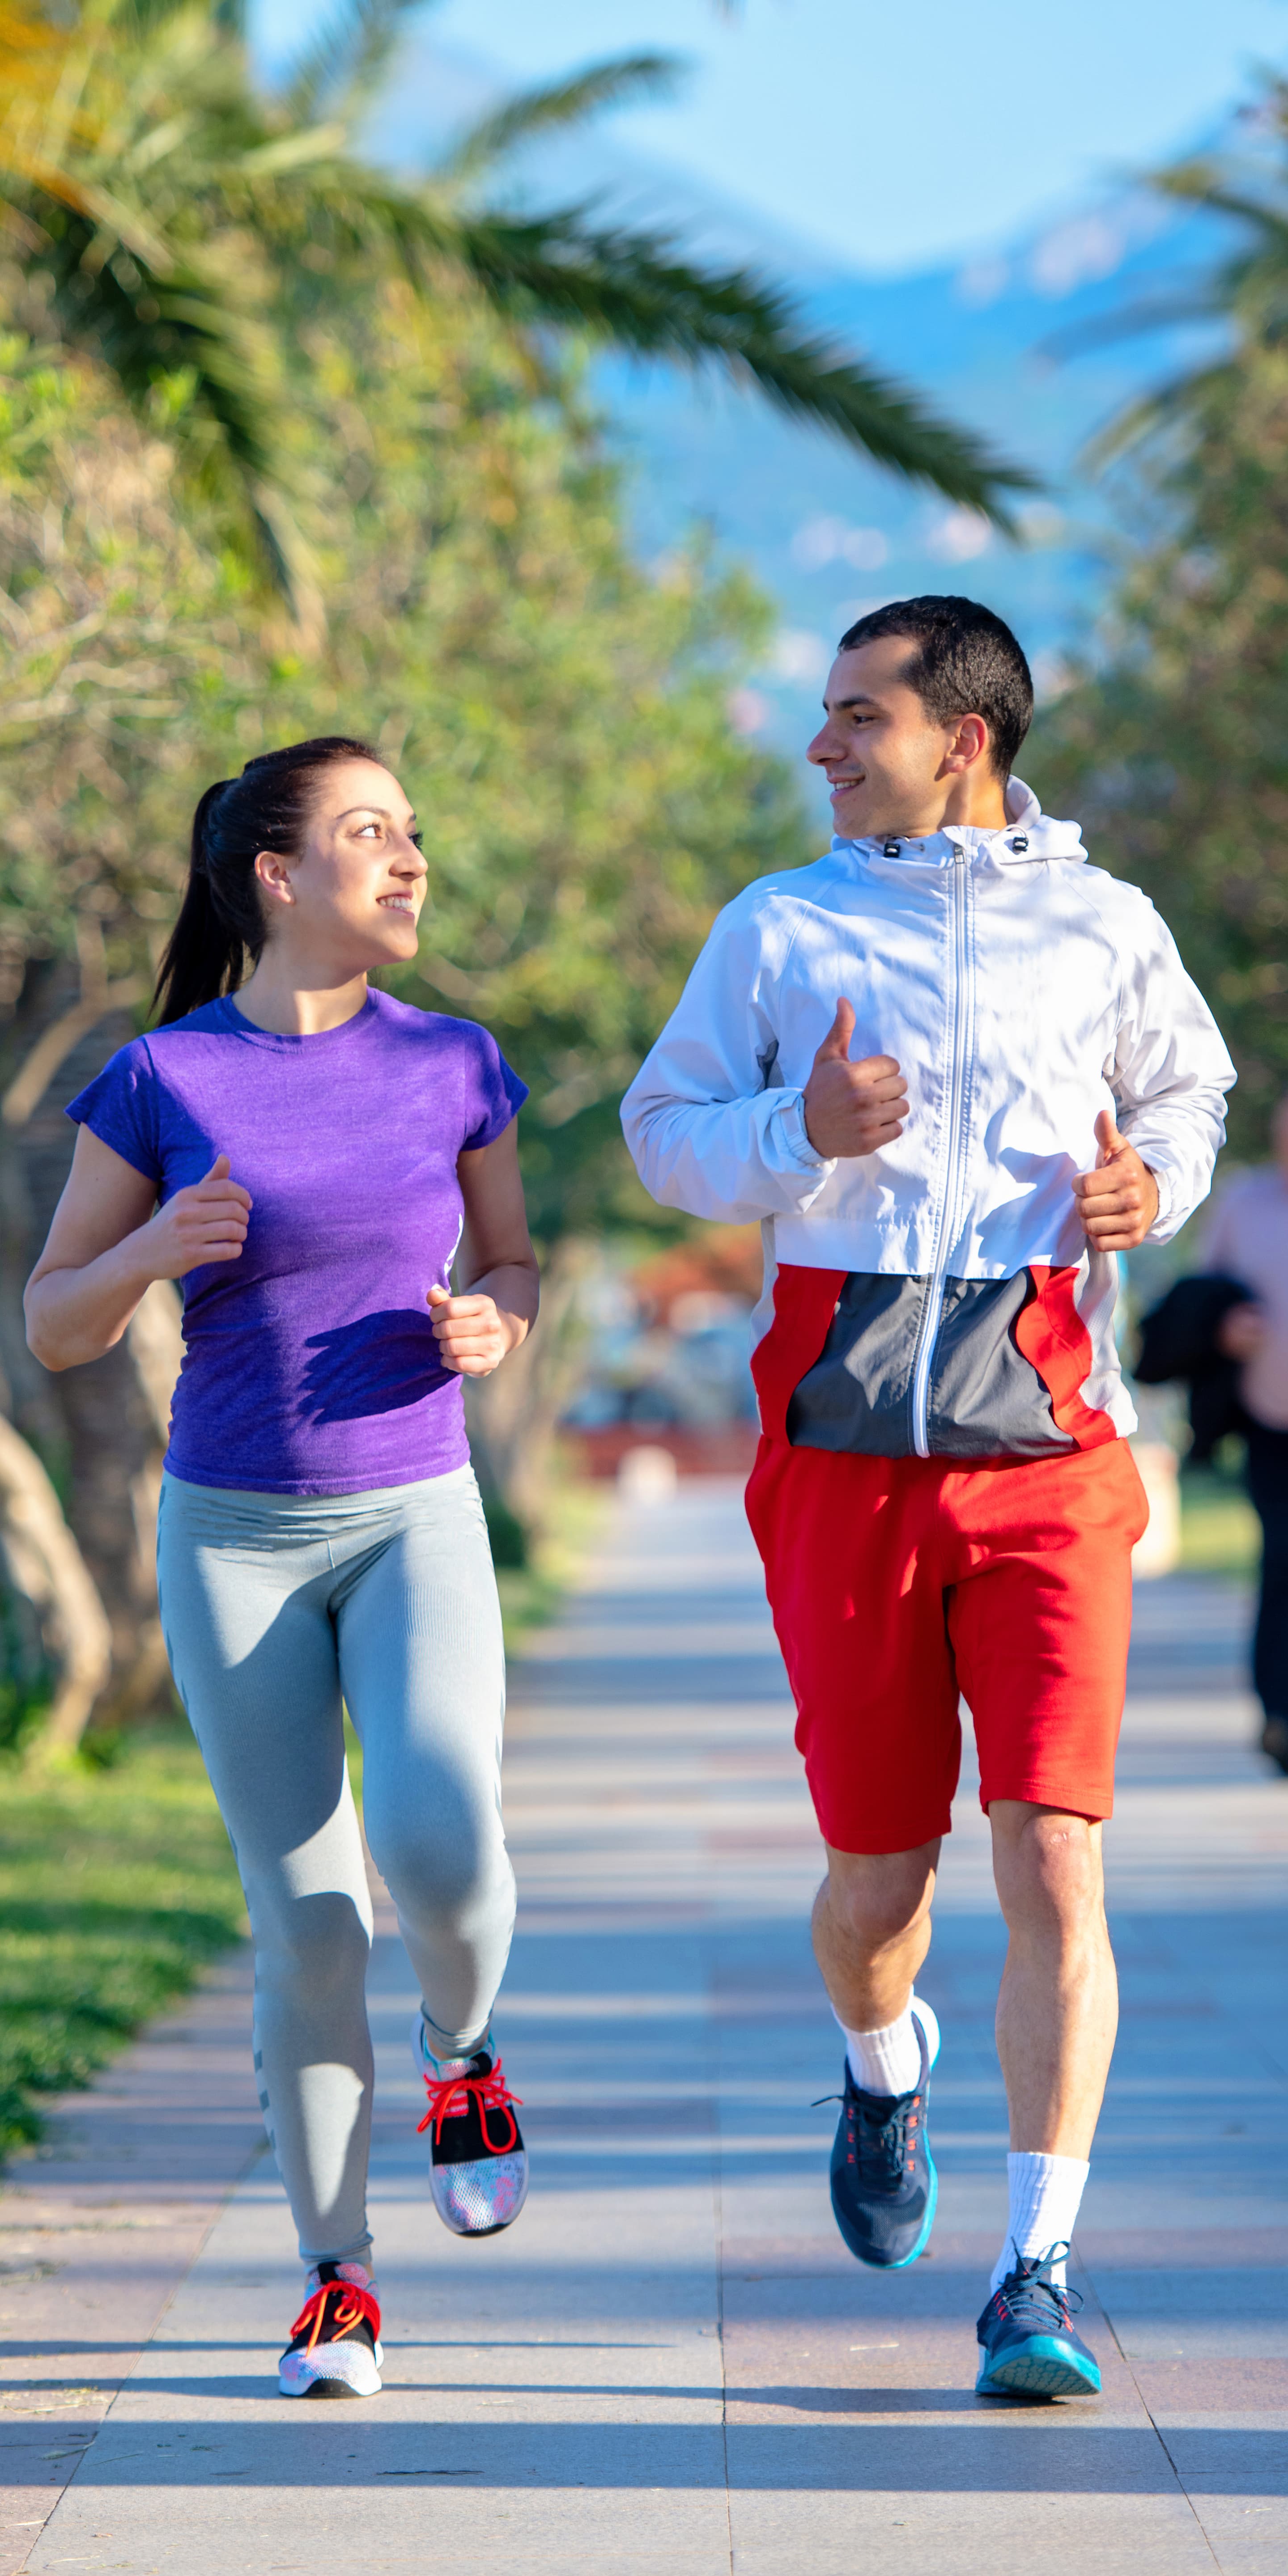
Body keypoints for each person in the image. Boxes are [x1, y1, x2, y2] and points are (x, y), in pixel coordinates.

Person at [621, 597, 1235, 2401]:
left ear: (960, 739)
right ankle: (884, 2070)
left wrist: (1152, 1198)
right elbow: (668, 1133)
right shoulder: (783, 924)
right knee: (875, 1881)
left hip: (1052, 1439)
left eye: (854, 719)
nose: (820, 747)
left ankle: (1034, 2271)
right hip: (845, 1446)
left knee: (1054, 1849)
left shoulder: (1106, 925)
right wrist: (797, 1133)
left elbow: (1187, 1095)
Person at [23, 737, 538, 2400]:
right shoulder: (164, 1081)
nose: (411, 863)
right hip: (233, 1536)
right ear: (275, 874)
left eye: (415, 833)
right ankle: (339, 2280)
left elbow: (513, 1255)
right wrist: (151, 1250)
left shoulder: (458, 1061)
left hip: (414, 1511)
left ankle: (464, 2052)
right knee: (309, 1916)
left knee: (441, 1840)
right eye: (371, 834)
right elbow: (49, 1323)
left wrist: (496, 1321)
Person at [1202, 1092, 1288, 1774]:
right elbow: (1203, 1299)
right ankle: (1279, 1713)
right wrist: (1225, 1328)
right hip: (1271, 1418)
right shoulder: (1243, 1201)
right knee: (1282, 1560)